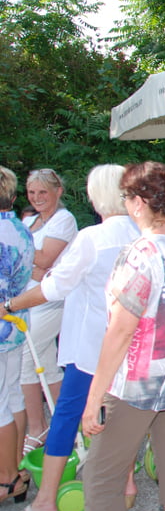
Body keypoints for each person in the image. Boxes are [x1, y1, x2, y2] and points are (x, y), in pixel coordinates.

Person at [3, 165, 140, 511]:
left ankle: (45, 501)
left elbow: (55, 286)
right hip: (132, 343)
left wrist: (10, 305)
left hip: (92, 344)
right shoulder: (143, 233)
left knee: (67, 415)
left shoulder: (93, 237)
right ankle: (126, 484)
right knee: (122, 413)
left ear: (96, 198)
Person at [81, 161, 165, 511]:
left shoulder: (141, 252)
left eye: (127, 197)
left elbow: (121, 331)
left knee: (101, 476)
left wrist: (95, 396)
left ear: (138, 202)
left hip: (139, 378)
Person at [20, 169, 77, 458]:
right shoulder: (29, 221)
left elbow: (44, 259)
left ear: (58, 191)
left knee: (25, 358)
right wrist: (32, 265)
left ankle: (37, 427)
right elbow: (34, 262)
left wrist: (23, 257)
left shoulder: (64, 220)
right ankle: (66, 426)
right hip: (28, 298)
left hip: (51, 300)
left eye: (43, 192)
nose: (37, 197)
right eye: (32, 192)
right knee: (45, 362)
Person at [0, 167, 33, 508]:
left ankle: (7, 477)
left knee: (1, 404)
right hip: (16, 323)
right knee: (11, 395)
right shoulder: (21, 229)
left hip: (2, 325)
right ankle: (15, 469)